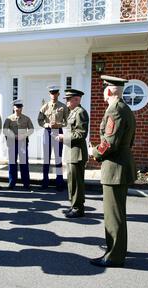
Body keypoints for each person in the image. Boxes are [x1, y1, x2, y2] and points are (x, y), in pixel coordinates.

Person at [89, 75, 136, 268]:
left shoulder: (115, 110)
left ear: (109, 91)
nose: (103, 93)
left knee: (113, 216)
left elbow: (109, 143)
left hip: (115, 168)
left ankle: (114, 256)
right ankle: (115, 250)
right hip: (120, 166)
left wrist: (94, 152)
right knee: (117, 214)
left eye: (104, 89)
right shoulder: (125, 108)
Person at [55, 89, 89, 218]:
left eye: (69, 99)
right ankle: (74, 206)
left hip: (77, 153)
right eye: (66, 99)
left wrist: (64, 137)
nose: (67, 101)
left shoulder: (80, 113)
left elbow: (81, 134)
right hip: (71, 152)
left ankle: (78, 208)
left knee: (77, 182)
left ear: (77, 99)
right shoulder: (72, 112)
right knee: (71, 182)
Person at [38, 85, 69, 191]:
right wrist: (47, 125)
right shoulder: (45, 107)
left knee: (58, 158)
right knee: (46, 158)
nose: (53, 95)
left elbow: (67, 121)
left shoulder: (63, 107)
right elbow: (40, 120)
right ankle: (45, 181)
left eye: (55, 93)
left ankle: (59, 182)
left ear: (58, 94)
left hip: (58, 132)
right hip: (47, 132)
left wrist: (58, 125)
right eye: (51, 93)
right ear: (49, 94)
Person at [3, 100, 34, 190]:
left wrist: (23, 135)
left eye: (19, 107)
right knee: (12, 163)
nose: (18, 109)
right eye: (16, 107)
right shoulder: (9, 118)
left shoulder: (26, 118)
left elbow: (31, 129)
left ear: (21, 108)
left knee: (24, 163)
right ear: (13, 108)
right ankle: (12, 182)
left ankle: (26, 183)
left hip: (23, 142)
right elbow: (5, 130)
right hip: (12, 142)